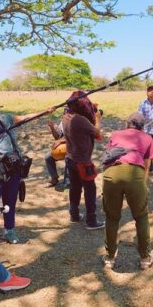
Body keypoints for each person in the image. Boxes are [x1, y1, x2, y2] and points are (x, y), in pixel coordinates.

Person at [0, 102, 52, 245]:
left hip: (13, 168)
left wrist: (44, 112)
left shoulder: (6, 119)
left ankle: (9, 231)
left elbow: (23, 118)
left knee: (10, 201)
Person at [101, 112, 153, 270]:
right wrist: (143, 185)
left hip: (112, 173)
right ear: (142, 126)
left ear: (127, 124)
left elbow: (108, 157)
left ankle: (110, 258)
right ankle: (145, 258)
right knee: (141, 217)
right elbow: (147, 165)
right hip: (135, 174)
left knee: (112, 217)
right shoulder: (147, 138)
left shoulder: (116, 134)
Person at [62, 90, 105, 230]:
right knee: (90, 189)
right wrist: (98, 117)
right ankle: (91, 220)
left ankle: (74, 214)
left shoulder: (66, 116)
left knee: (75, 188)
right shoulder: (80, 120)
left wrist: (92, 108)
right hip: (83, 161)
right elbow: (97, 132)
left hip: (70, 158)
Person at [44, 119, 69, 191]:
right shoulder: (63, 121)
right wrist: (52, 128)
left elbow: (75, 136)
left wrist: (61, 141)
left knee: (69, 157)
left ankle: (68, 181)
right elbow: (57, 137)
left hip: (76, 147)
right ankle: (54, 178)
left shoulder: (77, 120)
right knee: (48, 157)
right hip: (64, 147)